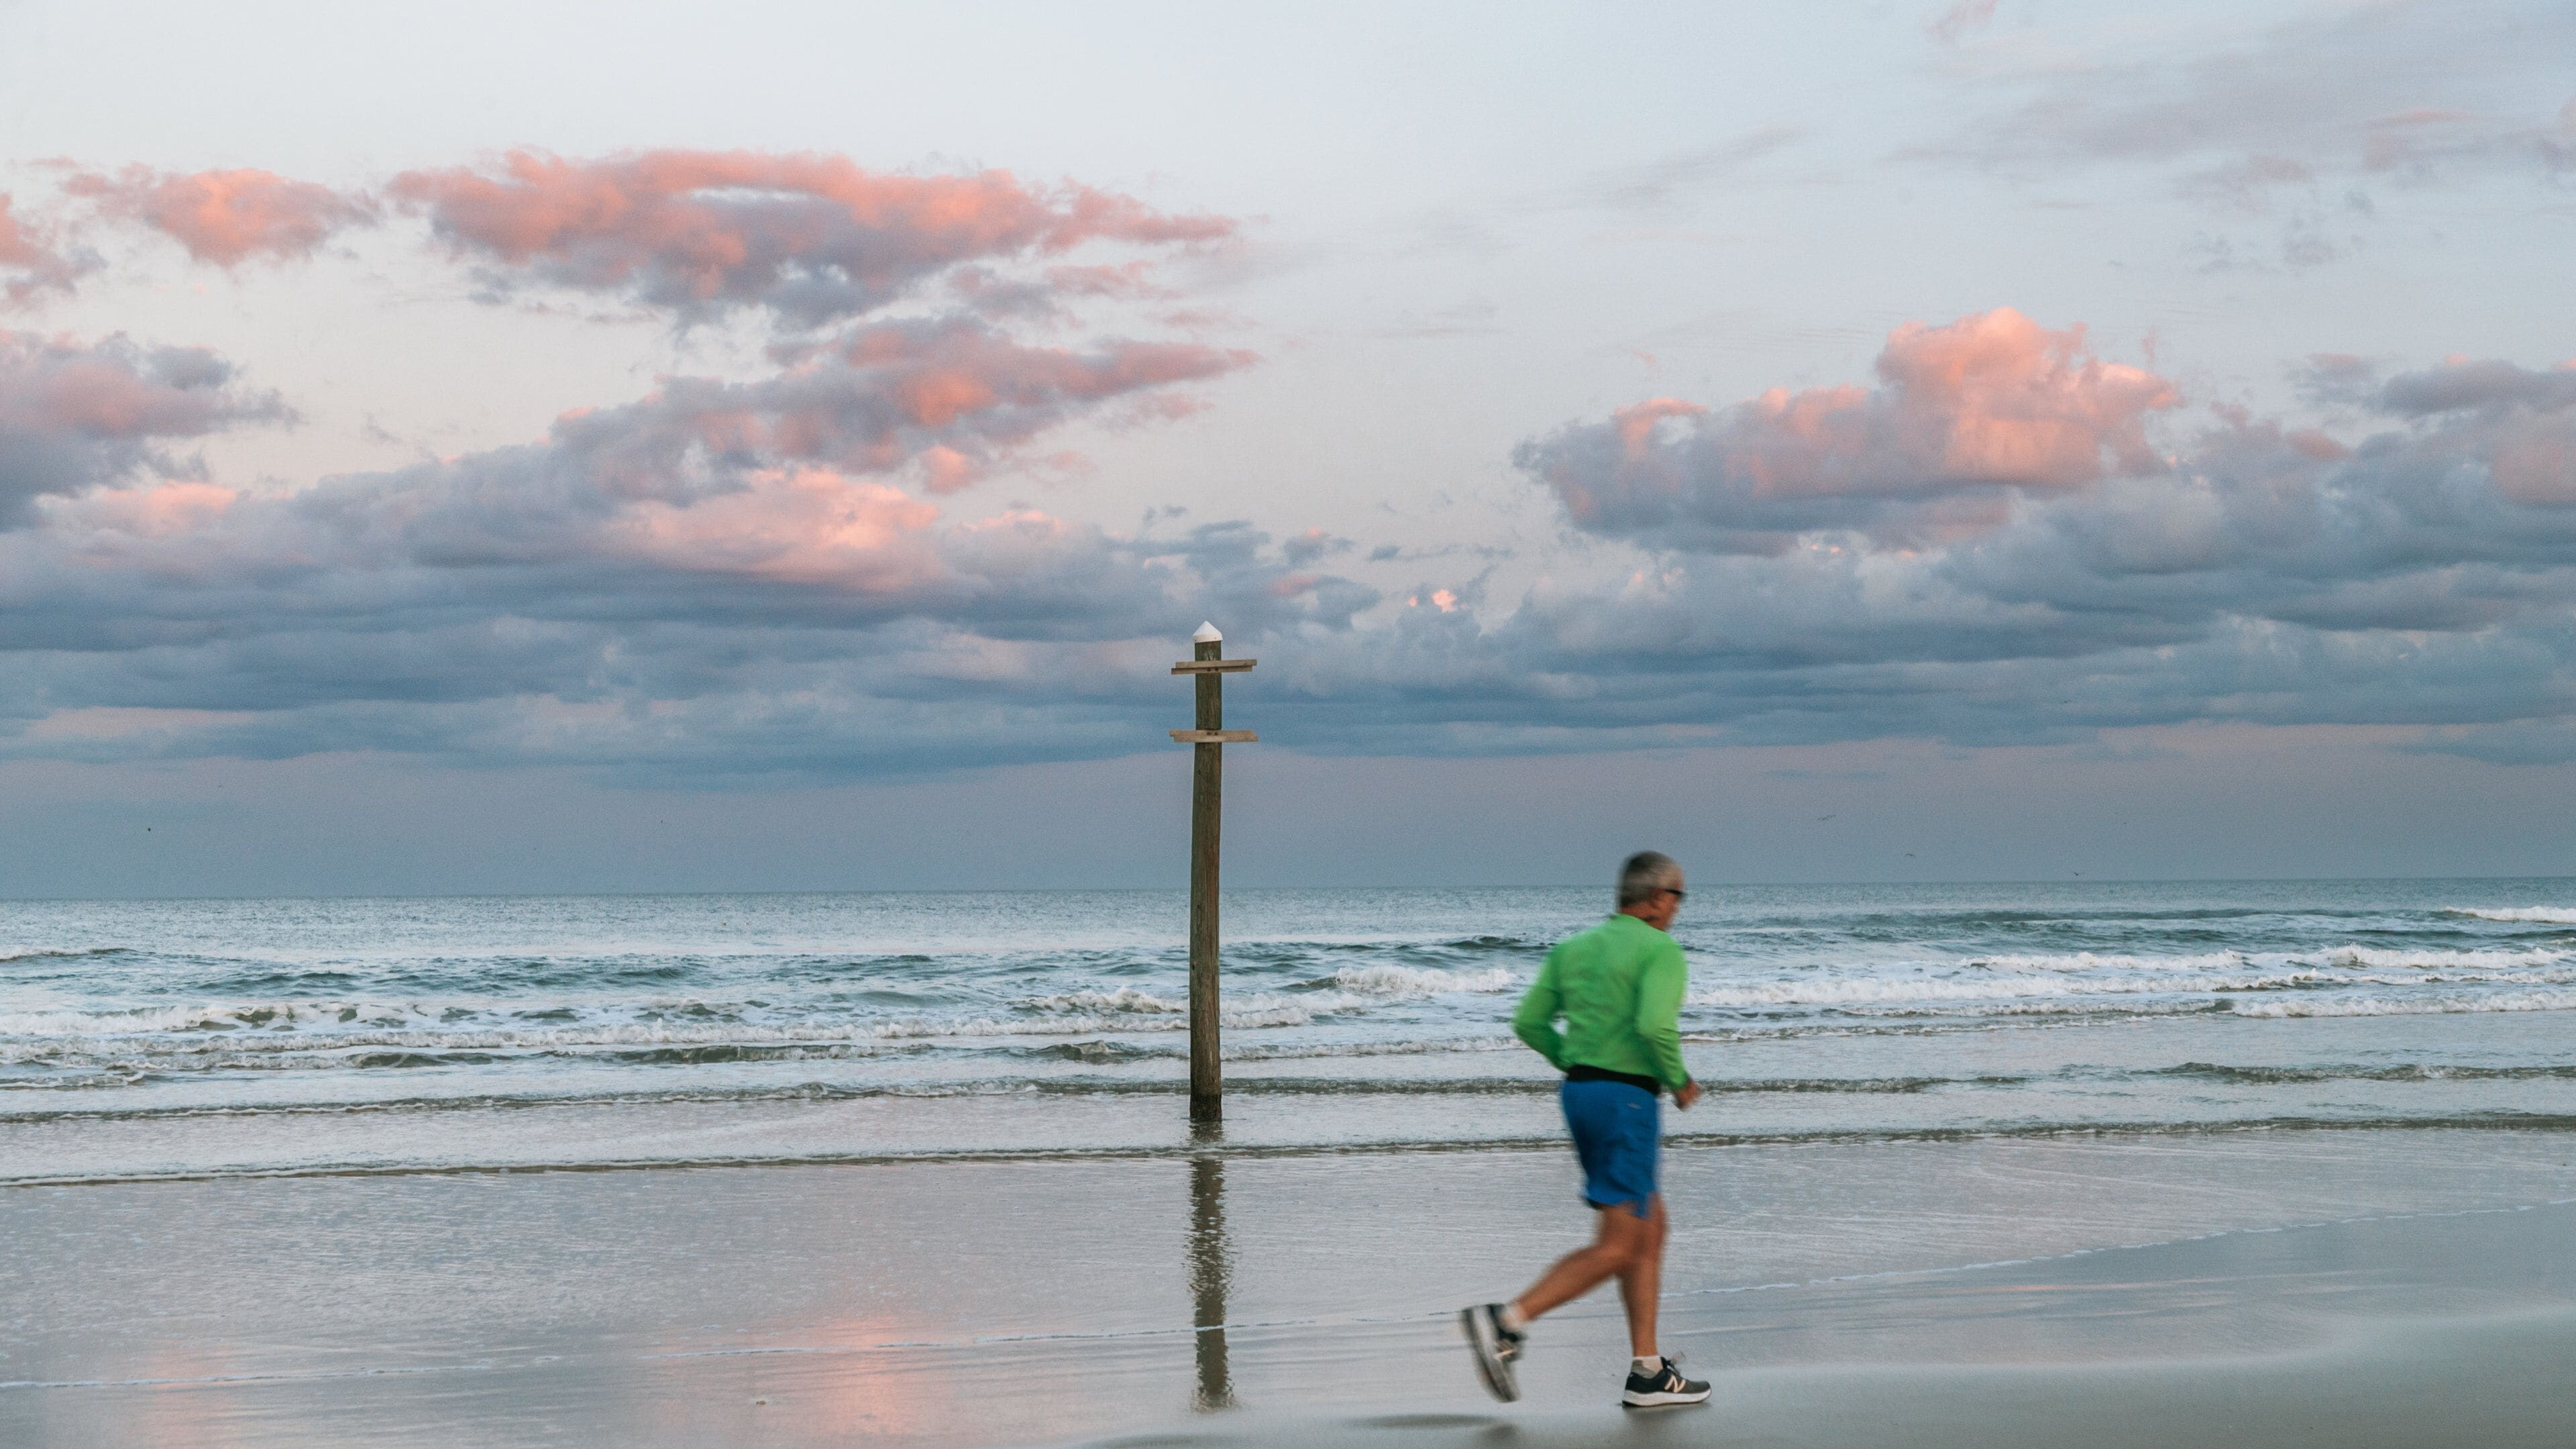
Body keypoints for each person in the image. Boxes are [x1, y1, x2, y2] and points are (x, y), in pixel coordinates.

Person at [1461, 851, 1710, 1409]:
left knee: (1651, 1221)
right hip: (1628, 1101)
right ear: (1655, 899)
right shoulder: (1660, 949)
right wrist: (1679, 1080)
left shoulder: (1573, 948)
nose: (1677, 908)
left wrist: (1576, 1059)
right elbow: (1653, 1024)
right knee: (1621, 1243)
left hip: (1581, 1094)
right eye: (1677, 896)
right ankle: (1507, 1321)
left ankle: (1648, 1371)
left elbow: (1527, 1022)